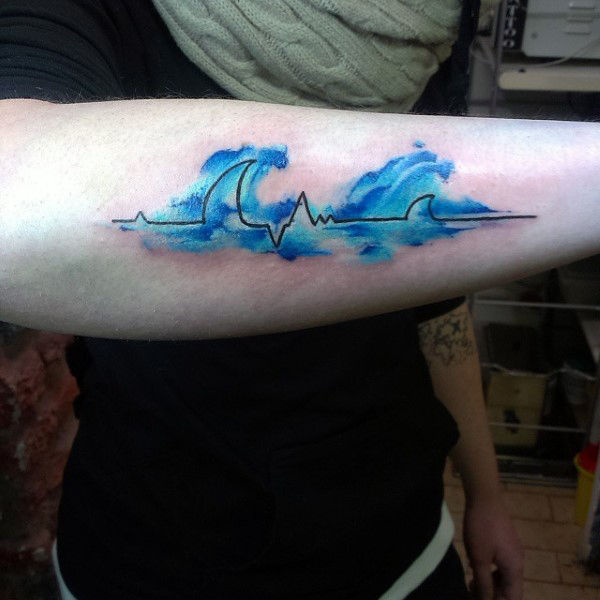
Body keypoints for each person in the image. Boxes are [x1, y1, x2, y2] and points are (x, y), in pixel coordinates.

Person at [1, 1, 599, 599]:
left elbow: (436, 305)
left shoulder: (429, 21)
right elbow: (16, 194)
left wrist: (487, 492)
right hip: (151, 549)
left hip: (396, 537)